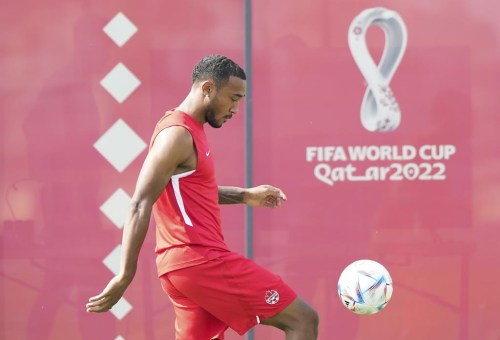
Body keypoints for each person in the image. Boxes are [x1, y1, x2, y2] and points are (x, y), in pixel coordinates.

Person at [86, 54, 318, 339]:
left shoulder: (189, 131)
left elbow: (193, 192)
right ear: (208, 89)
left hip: (183, 269)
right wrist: (124, 275)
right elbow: (139, 202)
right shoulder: (177, 135)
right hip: (201, 261)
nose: (235, 108)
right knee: (303, 320)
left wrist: (246, 196)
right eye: (233, 98)